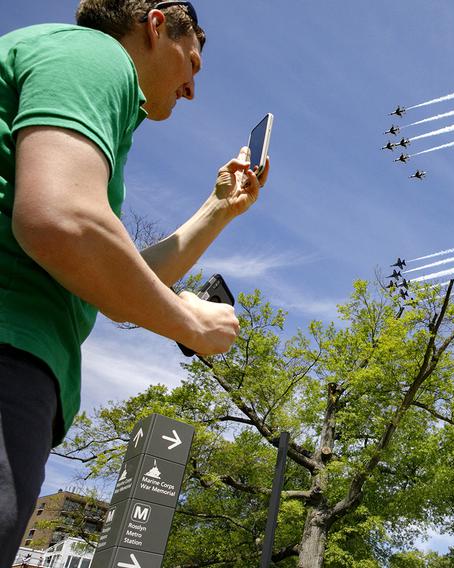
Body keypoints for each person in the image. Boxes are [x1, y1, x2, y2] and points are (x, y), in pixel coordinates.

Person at [0, 1, 269, 560]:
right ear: (155, 24)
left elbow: (113, 279)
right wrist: (190, 322)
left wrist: (218, 210)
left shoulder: (70, 64)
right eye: (192, 62)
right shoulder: (95, 56)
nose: (193, 87)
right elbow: (64, 222)